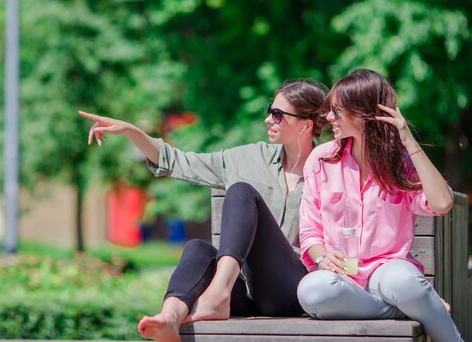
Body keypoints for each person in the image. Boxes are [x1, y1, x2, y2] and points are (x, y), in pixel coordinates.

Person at [79, 79, 328, 342]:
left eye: (277, 114)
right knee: (198, 248)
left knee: (242, 191)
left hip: (289, 291)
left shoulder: (332, 169)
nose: (268, 119)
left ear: (306, 124)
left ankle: (218, 293)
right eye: (269, 110)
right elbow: (181, 162)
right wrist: (132, 131)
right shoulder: (250, 158)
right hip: (242, 291)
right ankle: (169, 318)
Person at [296, 69, 463, 342]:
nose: (328, 118)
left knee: (405, 281)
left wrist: (408, 141)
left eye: (336, 111)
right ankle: (402, 311)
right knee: (311, 291)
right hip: (345, 275)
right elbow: (310, 231)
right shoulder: (321, 160)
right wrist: (321, 257)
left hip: (388, 270)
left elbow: (442, 203)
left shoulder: (399, 163)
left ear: (362, 114)